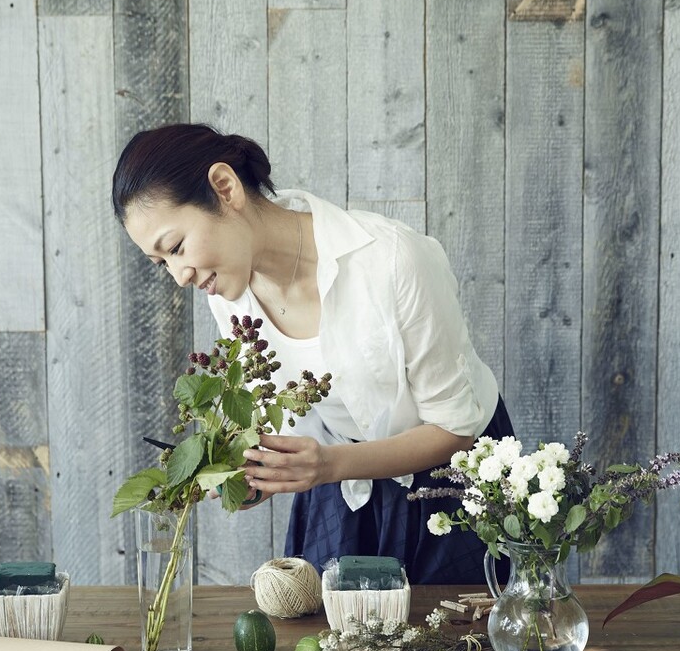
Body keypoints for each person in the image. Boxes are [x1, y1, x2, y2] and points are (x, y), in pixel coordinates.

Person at [111, 123, 513, 586]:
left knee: (449, 650)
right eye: (163, 264)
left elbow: (456, 426)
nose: (180, 275)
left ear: (225, 188)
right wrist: (252, 476)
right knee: (323, 649)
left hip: (450, 487)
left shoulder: (393, 260)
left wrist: (327, 465)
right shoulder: (227, 292)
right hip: (338, 487)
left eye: (177, 248)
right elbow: (293, 424)